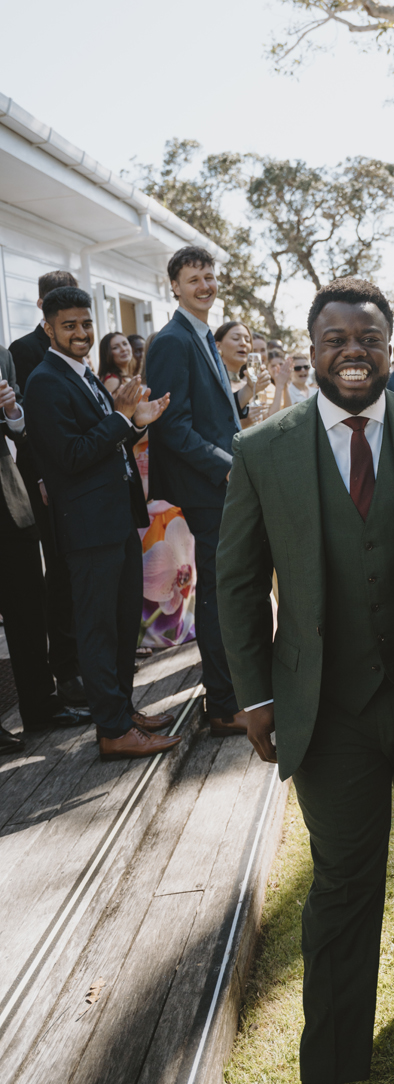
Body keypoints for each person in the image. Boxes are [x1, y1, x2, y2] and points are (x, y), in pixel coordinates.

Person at [217, 277, 394, 1083]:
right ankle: (334, 1065)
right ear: (312, 349)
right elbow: (238, 581)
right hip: (325, 707)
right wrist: (256, 695)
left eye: (368, 338)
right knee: (341, 879)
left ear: (390, 345)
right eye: (335, 339)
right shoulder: (262, 449)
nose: (353, 353)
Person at [21, 287, 180, 759]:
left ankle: (122, 712)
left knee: (123, 623)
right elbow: (71, 457)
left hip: (116, 519)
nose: (81, 332)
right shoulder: (44, 381)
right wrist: (122, 417)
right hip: (88, 528)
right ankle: (112, 731)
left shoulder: (83, 373)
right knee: (98, 630)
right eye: (68, 325)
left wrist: (137, 422)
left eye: (86, 324)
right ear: (48, 328)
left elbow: (105, 440)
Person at [144, 246, 249, 736]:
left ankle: (232, 694)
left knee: (224, 591)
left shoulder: (204, 334)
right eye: (193, 279)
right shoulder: (172, 341)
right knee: (215, 596)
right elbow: (172, 427)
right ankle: (222, 705)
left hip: (220, 484)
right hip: (206, 487)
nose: (204, 286)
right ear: (175, 287)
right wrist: (225, 468)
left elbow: (217, 416)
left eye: (209, 276)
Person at [0, 344, 88, 751]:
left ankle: (40, 706)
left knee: (28, 609)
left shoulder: (2, 355)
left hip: (10, 500)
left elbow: (19, 428)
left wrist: (12, 411)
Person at [8, 268, 86, 707]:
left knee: (79, 571)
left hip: (81, 474)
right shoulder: (23, 350)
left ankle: (86, 659)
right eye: (59, 299)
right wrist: (40, 476)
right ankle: (66, 670)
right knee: (57, 571)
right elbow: (28, 423)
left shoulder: (81, 345)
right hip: (43, 479)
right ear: (42, 306)